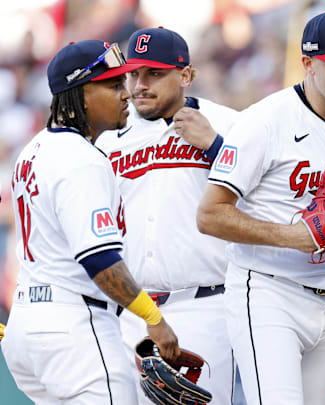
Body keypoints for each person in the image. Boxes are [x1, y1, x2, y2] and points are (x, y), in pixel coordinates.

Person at [196, 10, 325, 405]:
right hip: (269, 291)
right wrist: (291, 236)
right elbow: (210, 213)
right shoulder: (264, 122)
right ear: (307, 63)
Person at [1, 39, 179, 404]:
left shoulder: (33, 149)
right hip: (75, 330)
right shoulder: (82, 159)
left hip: (29, 323)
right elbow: (99, 260)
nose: (126, 94)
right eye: (113, 86)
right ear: (80, 94)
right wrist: (153, 317)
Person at [95, 27, 239, 404]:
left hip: (204, 306)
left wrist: (216, 147)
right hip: (127, 313)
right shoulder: (109, 138)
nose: (140, 84)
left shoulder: (229, 124)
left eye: (154, 74)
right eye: (134, 73)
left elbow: (262, 203)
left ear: (186, 75)